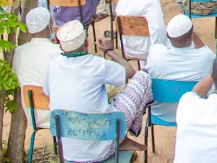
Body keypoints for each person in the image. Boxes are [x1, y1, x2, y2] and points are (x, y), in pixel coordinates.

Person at [45, 21, 153, 162]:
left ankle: (122, 138)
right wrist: (109, 51)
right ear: (87, 42)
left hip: (67, 151)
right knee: (143, 77)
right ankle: (122, 137)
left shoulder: (53, 65)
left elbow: (48, 93)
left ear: (61, 45)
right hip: (102, 148)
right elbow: (130, 71)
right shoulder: (96, 64)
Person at [145, 15, 214, 124]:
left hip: (161, 114)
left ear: (168, 36)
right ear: (192, 36)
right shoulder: (205, 57)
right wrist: (192, 35)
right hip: (194, 114)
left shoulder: (154, 53)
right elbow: (207, 52)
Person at [12, 7, 61, 128]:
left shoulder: (18, 52)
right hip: (60, 114)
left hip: (34, 115)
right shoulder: (58, 51)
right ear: (49, 26)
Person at [114, 0, 167, 64]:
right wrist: (159, 54)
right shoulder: (151, 0)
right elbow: (157, 30)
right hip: (147, 50)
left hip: (126, 48)